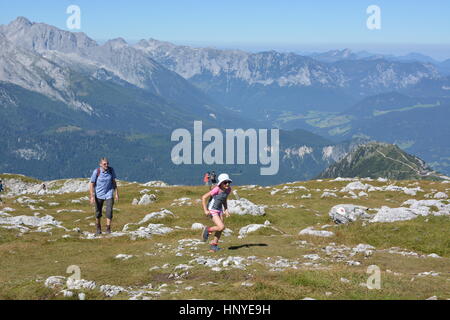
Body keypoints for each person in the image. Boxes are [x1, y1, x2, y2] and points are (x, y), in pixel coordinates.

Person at [201, 173, 232, 252]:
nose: (227, 184)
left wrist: (226, 209)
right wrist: (205, 210)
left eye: (228, 182)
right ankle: (208, 230)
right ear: (221, 183)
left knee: (220, 229)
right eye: (225, 182)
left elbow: (224, 199)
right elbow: (204, 197)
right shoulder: (216, 189)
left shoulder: (228, 189)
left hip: (219, 210)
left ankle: (214, 246)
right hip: (212, 210)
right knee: (221, 227)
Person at [89, 158, 119, 235]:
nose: (106, 165)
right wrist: (92, 196)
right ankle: (98, 228)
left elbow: (114, 182)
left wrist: (116, 193)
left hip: (109, 193)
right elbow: (92, 184)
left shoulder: (111, 170)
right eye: (104, 164)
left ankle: (108, 229)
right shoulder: (97, 172)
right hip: (99, 194)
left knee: (109, 211)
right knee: (98, 213)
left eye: (107, 163)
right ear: (100, 164)